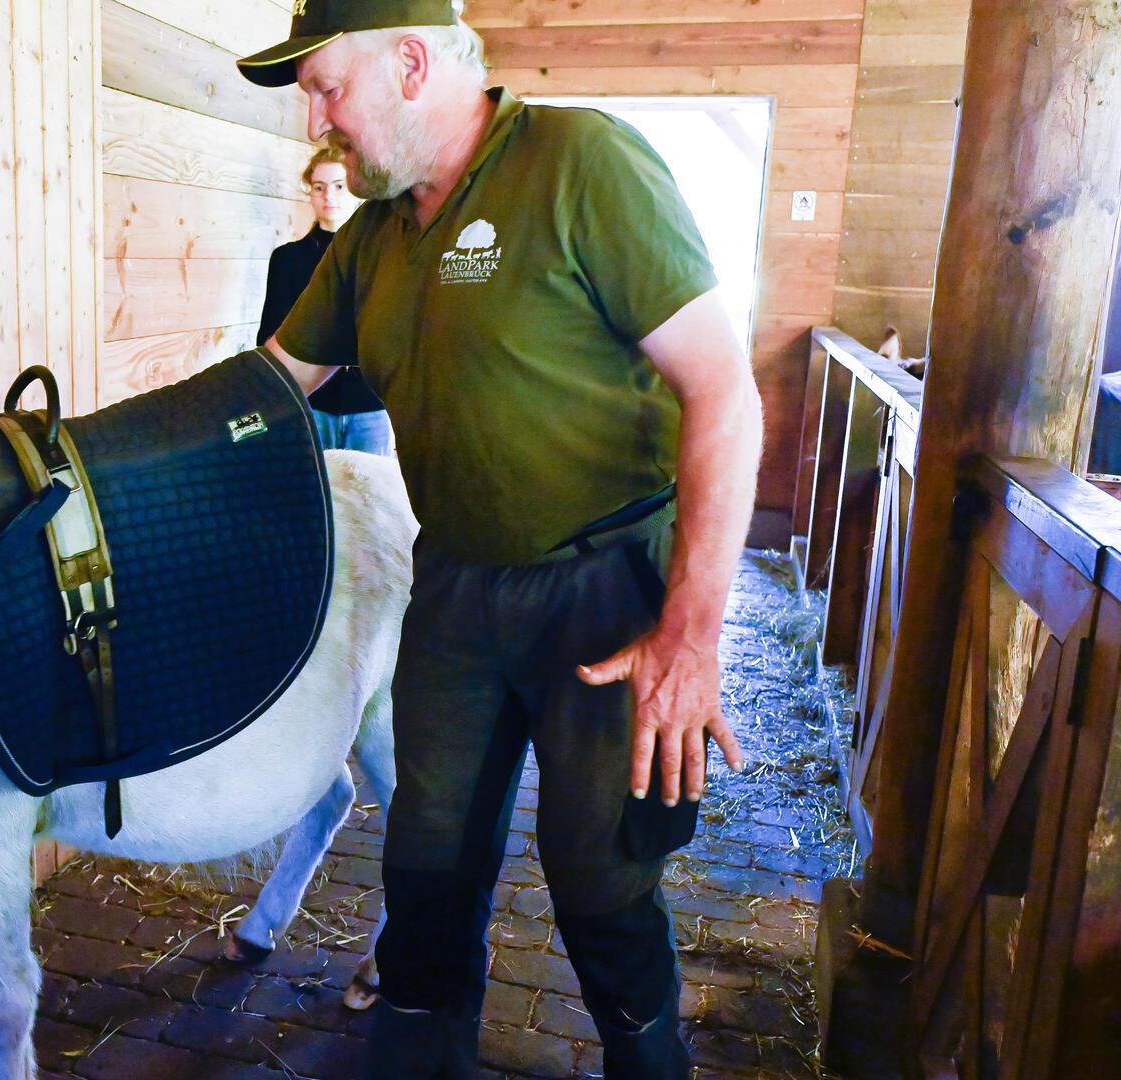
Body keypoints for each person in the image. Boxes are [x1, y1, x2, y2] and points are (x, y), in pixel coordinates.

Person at [237, 2, 762, 1077]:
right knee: (427, 857)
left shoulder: (581, 164)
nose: (319, 118)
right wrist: (90, 452)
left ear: (412, 62)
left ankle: (649, 1062)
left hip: (606, 586)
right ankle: (423, 1053)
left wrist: (692, 633)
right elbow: (267, 387)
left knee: (602, 873)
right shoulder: (374, 237)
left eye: (329, 87)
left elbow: (724, 393)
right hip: (462, 587)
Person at [259, 147, 393, 454]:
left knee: (370, 497)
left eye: (338, 186)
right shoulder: (287, 259)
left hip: (369, 407)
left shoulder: (381, 255)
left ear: (355, 191)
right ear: (310, 193)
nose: (328, 196)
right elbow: (270, 332)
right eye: (319, 188)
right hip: (310, 406)